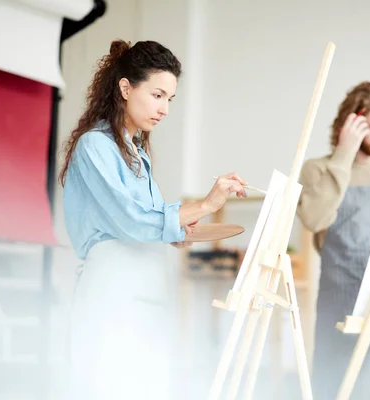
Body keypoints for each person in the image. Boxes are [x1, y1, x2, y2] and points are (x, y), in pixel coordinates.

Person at [58, 39, 248, 399]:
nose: (164, 109)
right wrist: (207, 205)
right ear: (126, 88)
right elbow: (135, 220)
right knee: (106, 385)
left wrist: (181, 229)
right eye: (158, 95)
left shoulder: (136, 153)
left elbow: (157, 224)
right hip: (112, 286)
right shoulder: (95, 146)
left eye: (170, 100)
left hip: (144, 284)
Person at [296, 81, 370, 399]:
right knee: (342, 390)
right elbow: (314, 220)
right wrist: (343, 155)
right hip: (342, 306)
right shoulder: (319, 170)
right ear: (351, 124)